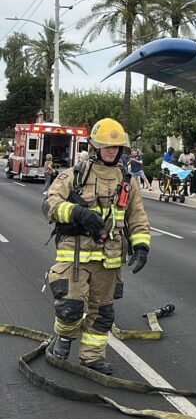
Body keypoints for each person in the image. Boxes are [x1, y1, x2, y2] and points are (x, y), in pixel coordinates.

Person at [44, 118, 151, 376]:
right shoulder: (75, 174)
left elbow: (137, 217)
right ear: (95, 147)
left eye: (116, 147)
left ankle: (92, 357)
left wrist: (141, 247)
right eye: (106, 146)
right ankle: (65, 337)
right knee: (70, 309)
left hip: (109, 259)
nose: (112, 151)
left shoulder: (127, 182)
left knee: (102, 313)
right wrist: (77, 213)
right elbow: (49, 205)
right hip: (76, 257)